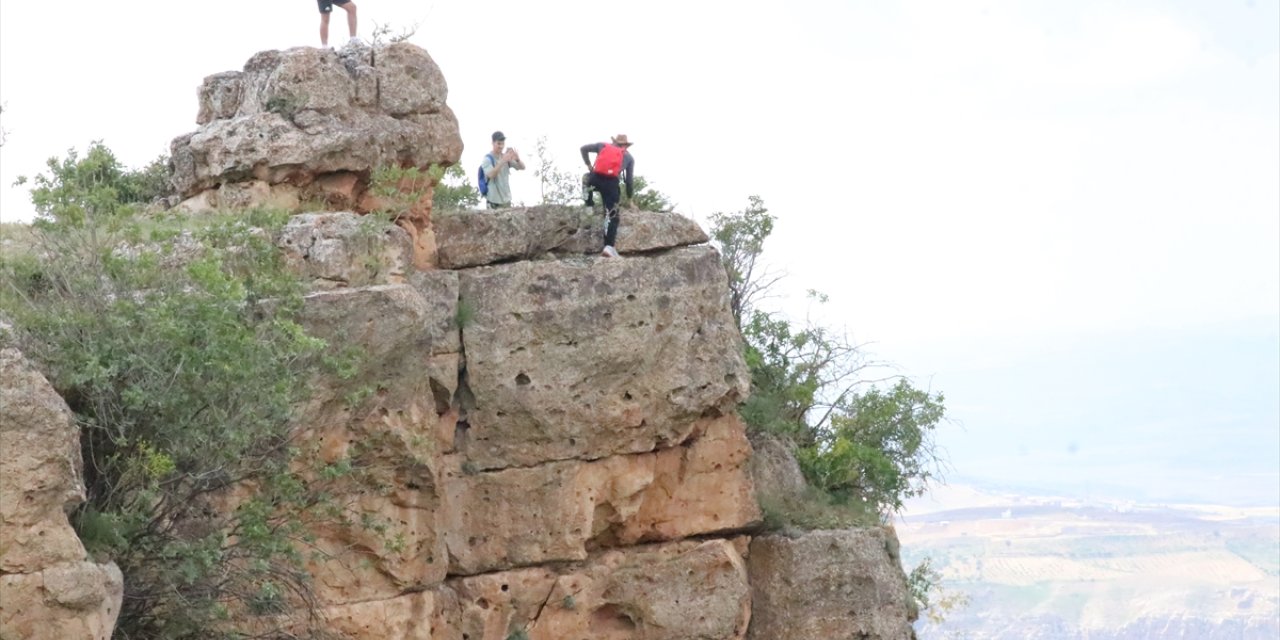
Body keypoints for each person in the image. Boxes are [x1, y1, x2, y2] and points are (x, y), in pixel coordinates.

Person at [580, 134, 635, 258]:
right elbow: (629, 181)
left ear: (615, 142)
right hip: (611, 185)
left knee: (585, 178)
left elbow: (583, 148)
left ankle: (588, 205)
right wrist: (630, 199)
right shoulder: (629, 157)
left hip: (595, 179)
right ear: (626, 145)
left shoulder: (602, 145)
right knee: (611, 214)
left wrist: (588, 165)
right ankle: (609, 247)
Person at [482, 131, 525, 209]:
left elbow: (522, 167)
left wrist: (518, 159)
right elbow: (491, 175)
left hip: (506, 200)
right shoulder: (487, 159)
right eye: (498, 143)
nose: (501, 146)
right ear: (493, 143)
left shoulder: (506, 157)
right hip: (493, 200)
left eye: (502, 144)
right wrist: (502, 161)